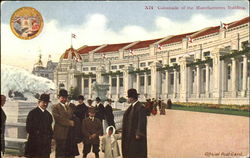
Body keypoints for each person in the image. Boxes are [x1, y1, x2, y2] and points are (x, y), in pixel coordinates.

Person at [52, 89, 79, 158]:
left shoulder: (69, 107)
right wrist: (69, 122)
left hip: (69, 134)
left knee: (69, 153)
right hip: (60, 133)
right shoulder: (55, 107)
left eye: (65, 98)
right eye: (62, 97)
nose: (64, 99)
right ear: (59, 97)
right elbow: (58, 119)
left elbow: (72, 117)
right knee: (60, 152)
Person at [25, 94, 53, 158]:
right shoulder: (32, 113)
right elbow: (28, 129)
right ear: (39, 102)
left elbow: (50, 130)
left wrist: (50, 138)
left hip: (45, 146)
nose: (45, 104)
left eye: (47, 103)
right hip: (35, 144)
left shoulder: (48, 115)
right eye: (43, 102)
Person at [122, 88, 147, 158]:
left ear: (132, 98)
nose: (128, 99)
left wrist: (138, 133)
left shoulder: (140, 107)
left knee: (136, 152)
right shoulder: (131, 107)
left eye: (128, 97)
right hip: (129, 135)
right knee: (130, 152)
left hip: (135, 136)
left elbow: (142, 122)